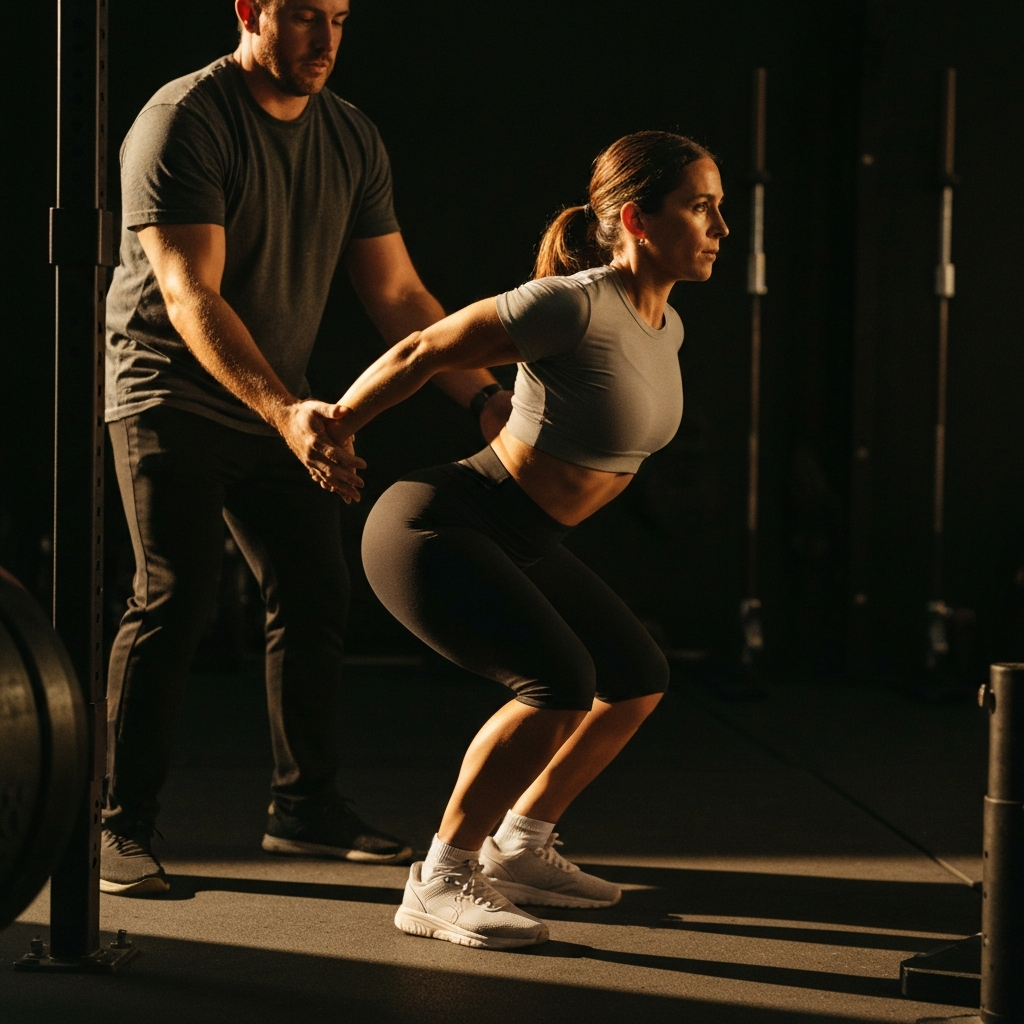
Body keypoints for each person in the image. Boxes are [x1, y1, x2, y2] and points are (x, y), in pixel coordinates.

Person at [100, 0, 512, 896]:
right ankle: (117, 827)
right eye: (300, 17)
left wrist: (480, 396)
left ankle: (305, 810)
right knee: (176, 595)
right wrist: (289, 412)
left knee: (316, 593)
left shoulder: (351, 136)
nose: (324, 41)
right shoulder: (183, 121)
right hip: (168, 392)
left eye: (339, 17)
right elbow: (186, 292)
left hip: (280, 406)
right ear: (250, 12)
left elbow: (397, 292)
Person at [315, 131, 728, 948]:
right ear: (639, 219)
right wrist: (335, 430)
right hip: (437, 522)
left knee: (636, 675)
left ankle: (519, 847)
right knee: (559, 681)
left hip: (523, 535)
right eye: (702, 207)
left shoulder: (666, 325)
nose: (721, 227)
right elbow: (425, 347)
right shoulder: (571, 302)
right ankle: (439, 878)